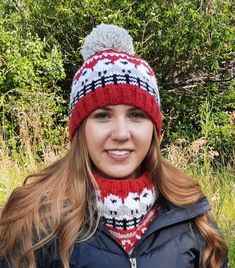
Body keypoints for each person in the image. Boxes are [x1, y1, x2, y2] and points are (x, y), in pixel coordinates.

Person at [0, 24, 228, 268]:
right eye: (102, 116)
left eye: (136, 115)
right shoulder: (35, 220)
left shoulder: (191, 214)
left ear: (153, 128)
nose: (120, 134)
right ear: (80, 129)